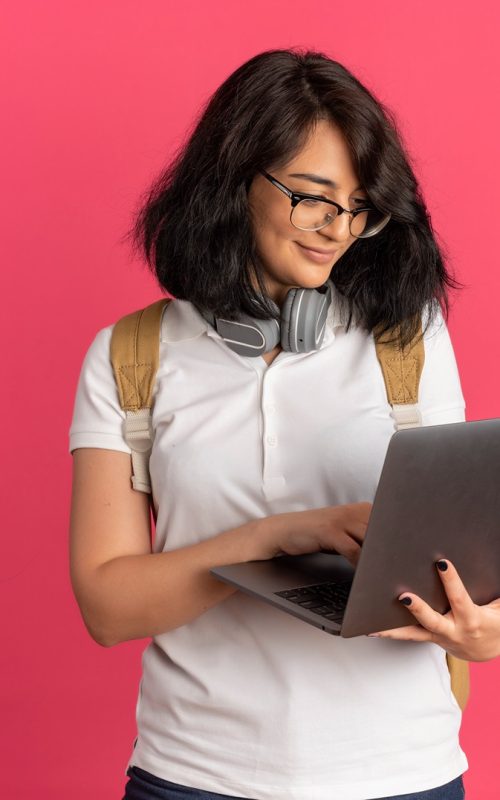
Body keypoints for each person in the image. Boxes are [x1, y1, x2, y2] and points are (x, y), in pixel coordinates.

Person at [69, 48, 500, 800]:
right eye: (312, 197)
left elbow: (465, 559)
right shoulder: (128, 355)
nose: (337, 229)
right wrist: (275, 537)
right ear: (236, 180)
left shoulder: (410, 338)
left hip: (403, 776)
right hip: (193, 776)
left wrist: (488, 630)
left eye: (359, 207)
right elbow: (108, 608)